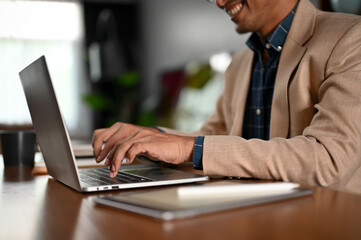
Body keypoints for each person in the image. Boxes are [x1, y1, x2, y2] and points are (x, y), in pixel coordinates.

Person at [92, 0, 361, 194]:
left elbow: (329, 160)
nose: (220, 2)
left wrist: (190, 148)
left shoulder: (350, 38)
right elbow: (213, 136)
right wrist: (148, 137)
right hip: (251, 218)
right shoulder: (241, 63)